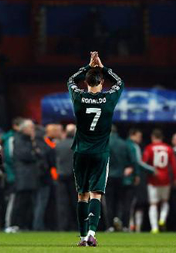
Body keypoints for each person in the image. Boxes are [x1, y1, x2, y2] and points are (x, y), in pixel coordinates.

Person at [67, 51, 124, 246]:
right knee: (96, 194)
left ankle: (82, 237)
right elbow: (120, 83)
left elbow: (70, 80)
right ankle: (92, 232)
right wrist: (102, 67)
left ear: (86, 82)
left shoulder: (78, 98)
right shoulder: (108, 99)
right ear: (101, 83)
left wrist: (87, 67)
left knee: (81, 195)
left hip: (80, 152)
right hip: (100, 154)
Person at [142, 129, 176, 234]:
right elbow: (174, 165)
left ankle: (154, 228)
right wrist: (175, 178)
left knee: (153, 204)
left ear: (153, 137)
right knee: (165, 202)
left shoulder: (149, 148)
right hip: (166, 179)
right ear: (162, 137)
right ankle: (162, 219)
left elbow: (143, 163)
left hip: (153, 179)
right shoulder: (168, 148)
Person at [125, 128, 155, 232]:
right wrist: (152, 170)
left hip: (121, 178)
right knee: (136, 203)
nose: (140, 139)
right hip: (133, 179)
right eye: (139, 136)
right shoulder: (134, 146)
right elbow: (138, 162)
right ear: (133, 134)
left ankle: (129, 225)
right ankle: (132, 226)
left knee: (126, 204)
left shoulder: (124, 144)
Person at [55, 124, 77, 231]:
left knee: (63, 203)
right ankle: (76, 225)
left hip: (61, 176)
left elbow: (53, 161)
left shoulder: (58, 145)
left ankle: (63, 226)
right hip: (75, 177)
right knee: (76, 202)